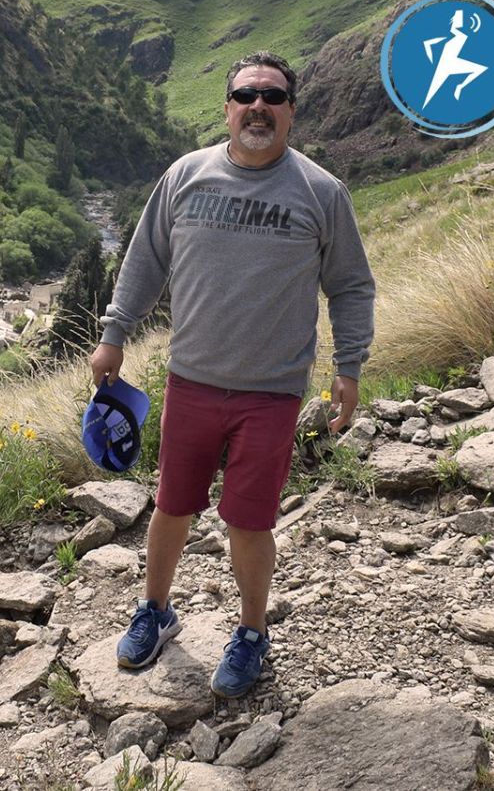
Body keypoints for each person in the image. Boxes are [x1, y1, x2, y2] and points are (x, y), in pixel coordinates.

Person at [89, 52, 374, 698]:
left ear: (291, 112)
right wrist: (113, 335)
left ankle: (250, 633)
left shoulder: (321, 193)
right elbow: (143, 263)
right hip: (189, 380)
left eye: (273, 97)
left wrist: (348, 368)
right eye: (245, 94)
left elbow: (352, 287)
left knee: (249, 520)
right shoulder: (185, 176)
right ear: (226, 107)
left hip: (271, 394)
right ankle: (155, 610)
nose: (258, 106)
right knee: (171, 506)